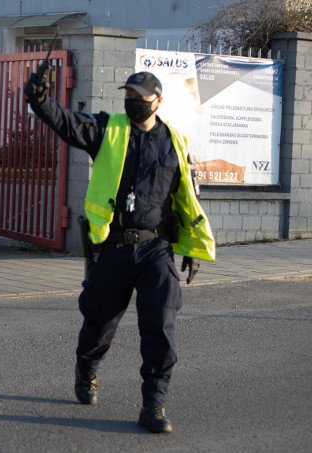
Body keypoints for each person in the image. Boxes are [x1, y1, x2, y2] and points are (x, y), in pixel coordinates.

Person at [23, 69, 216, 434]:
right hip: (113, 247)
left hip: (156, 248)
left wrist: (190, 247)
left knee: (160, 325)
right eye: (128, 95)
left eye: (139, 96)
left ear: (157, 101)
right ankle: (87, 369)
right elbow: (67, 123)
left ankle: (154, 405)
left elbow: (186, 196)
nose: (132, 102)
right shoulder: (108, 129)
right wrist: (40, 100)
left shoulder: (175, 141)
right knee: (99, 321)